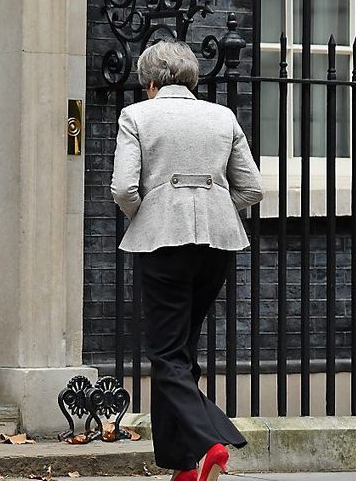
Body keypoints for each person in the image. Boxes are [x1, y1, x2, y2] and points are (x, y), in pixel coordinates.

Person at [110, 40, 263, 481]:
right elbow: (252, 189)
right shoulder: (222, 116)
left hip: (163, 244)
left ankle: (211, 440)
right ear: (192, 80)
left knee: (165, 354)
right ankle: (182, 467)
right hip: (217, 244)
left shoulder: (137, 115)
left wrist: (151, 214)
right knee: (182, 351)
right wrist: (215, 205)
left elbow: (123, 189)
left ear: (151, 82)